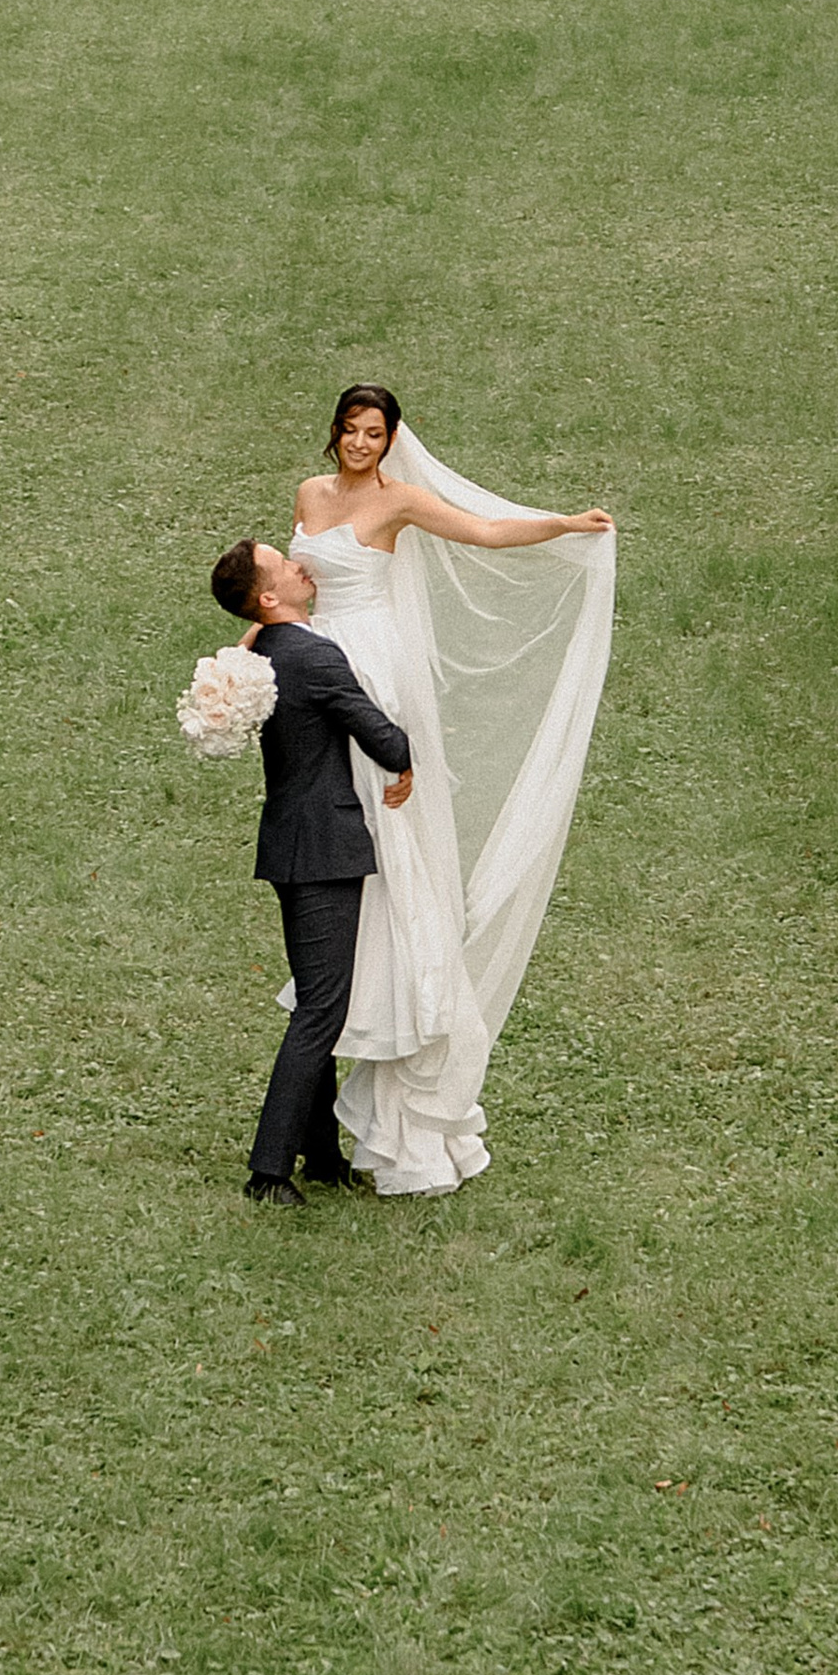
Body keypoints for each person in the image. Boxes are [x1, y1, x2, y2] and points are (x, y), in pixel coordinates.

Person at [282, 385, 614, 1196]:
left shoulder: (401, 505)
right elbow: (295, 583)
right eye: (351, 431)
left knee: (389, 844)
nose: (361, 444)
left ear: (392, 440)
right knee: (333, 827)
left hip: (373, 673)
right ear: (335, 435)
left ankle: (406, 1046)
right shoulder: (309, 495)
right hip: (321, 670)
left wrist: (566, 524)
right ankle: (340, 993)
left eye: (375, 433)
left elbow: (489, 532)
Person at [209, 535, 415, 1210]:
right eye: (284, 566)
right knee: (322, 1008)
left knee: (313, 999)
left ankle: (322, 1154)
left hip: (289, 842)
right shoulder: (315, 656)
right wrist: (408, 754)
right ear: (270, 596)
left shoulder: (263, 654)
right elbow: (384, 737)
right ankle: (269, 1169)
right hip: (326, 847)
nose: (302, 567)